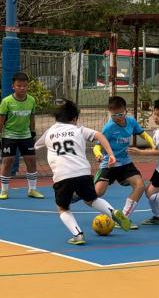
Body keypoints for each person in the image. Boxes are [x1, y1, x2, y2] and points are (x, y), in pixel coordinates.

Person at [33, 100, 131, 245]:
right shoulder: (78, 129)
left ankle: (78, 235)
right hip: (83, 172)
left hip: (62, 175)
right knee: (92, 199)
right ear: (74, 118)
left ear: (57, 118)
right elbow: (99, 135)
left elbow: (36, 145)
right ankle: (112, 212)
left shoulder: (49, 132)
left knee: (63, 208)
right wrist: (111, 154)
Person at [91, 96, 150, 225]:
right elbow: (97, 146)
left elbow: (143, 134)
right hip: (109, 164)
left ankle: (123, 218)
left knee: (140, 186)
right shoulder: (109, 128)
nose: (117, 117)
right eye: (114, 115)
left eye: (120, 114)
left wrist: (154, 144)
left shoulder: (131, 122)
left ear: (126, 111)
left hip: (125, 162)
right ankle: (79, 193)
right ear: (110, 113)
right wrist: (98, 154)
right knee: (97, 193)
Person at [0, 72, 43, 200]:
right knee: (7, 162)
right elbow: (1, 121)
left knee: (31, 161)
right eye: (19, 86)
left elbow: (32, 118)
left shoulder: (31, 100)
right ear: (13, 86)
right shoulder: (6, 101)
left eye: (25, 86)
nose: (22, 88)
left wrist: (33, 132)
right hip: (9, 135)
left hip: (26, 136)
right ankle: (4, 191)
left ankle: (32, 190)